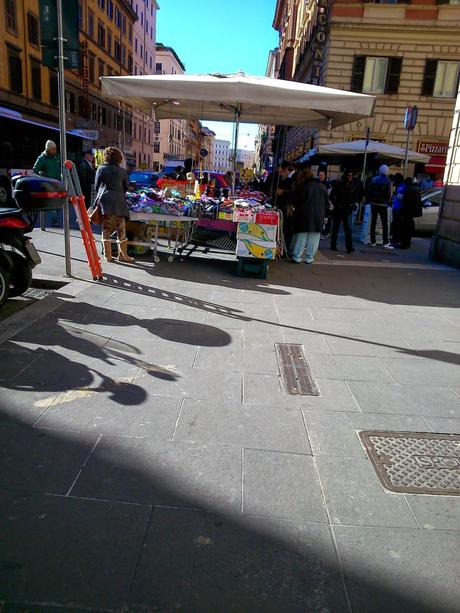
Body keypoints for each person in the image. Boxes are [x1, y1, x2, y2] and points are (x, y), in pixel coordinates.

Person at [94, 146, 134, 264]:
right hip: (119, 200)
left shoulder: (101, 169)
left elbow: (96, 186)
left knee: (106, 227)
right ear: (119, 158)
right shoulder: (122, 171)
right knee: (120, 227)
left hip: (106, 200)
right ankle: (123, 255)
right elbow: (126, 187)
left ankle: (108, 255)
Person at [290, 168, 328, 264]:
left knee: (301, 236)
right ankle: (309, 258)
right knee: (314, 238)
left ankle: (297, 256)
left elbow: (295, 200)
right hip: (318, 215)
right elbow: (327, 203)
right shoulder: (322, 187)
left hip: (304, 215)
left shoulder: (303, 186)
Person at [33, 139, 61, 226]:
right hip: (48, 182)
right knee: (52, 202)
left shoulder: (57, 157)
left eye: (55, 149)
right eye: (53, 149)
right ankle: (54, 220)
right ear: (48, 149)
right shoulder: (42, 158)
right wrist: (41, 173)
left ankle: (55, 217)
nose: (55, 151)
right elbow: (35, 168)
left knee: (58, 202)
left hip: (57, 182)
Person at [366, 164, 393, 249]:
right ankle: (385, 242)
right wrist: (388, 201)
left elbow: (369, 191)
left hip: (373, 203)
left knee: (373, 222)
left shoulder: (373, 179)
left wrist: (370, 200)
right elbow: (389, 194)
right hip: (383, 204)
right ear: (387, 171)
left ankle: (372, 241)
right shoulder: (388, 181)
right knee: (384, 223)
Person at [329, 170, 357, 254]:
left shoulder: (352, 185)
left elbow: (354, 196)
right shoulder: (339, 184)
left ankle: (349, 247)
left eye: (351, 175)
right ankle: (333, 244)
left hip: (346, 209)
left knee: (347, 229)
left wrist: (352, 204)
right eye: (349, 175)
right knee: (336, 228)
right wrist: (337, 204)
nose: (350, 177)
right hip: (339, 208)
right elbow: (331, 196)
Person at [317, 170, 332, 239]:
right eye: (319, 175)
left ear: (325, 176)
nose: (320, 177)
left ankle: (325, 232)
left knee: (326, 219)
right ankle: (320, 232)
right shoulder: (316, 183)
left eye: (322, 175)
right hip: (318, 204)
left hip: (325, 204)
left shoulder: (327, 184)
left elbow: (329, 195)